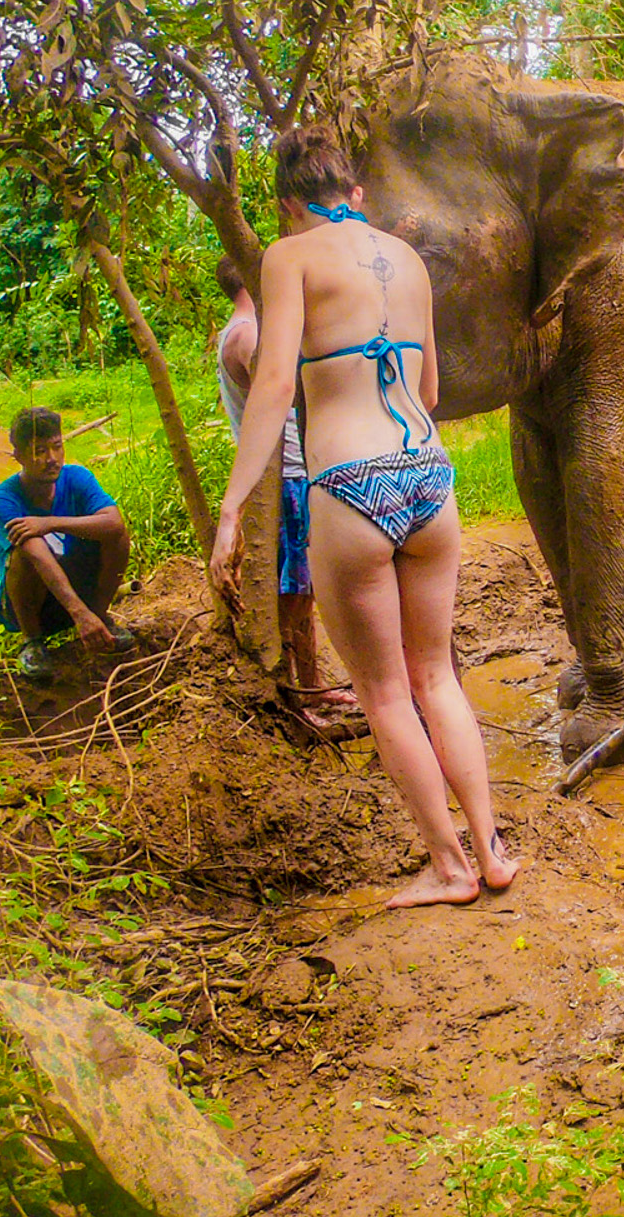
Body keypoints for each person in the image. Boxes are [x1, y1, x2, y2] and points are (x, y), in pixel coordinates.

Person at [211, 126, 514, 910]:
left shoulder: (289, 255)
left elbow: (275, 382)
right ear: (355, 192)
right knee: (437, 675)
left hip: (349, 482)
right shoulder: (408, 259)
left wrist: (233, 505)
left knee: (383, 693)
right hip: (429, 477)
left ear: (286, 203)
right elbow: (433, 386)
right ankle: (491, 848)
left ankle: (448, 868)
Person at [215, 258, 339, 712]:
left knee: (303, 588)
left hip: (290, 472)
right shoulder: (249, 334)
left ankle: (312, 683)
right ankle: (298, 694)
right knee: (293, 591)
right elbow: (279, 393)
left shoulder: (241, 328)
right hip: (285, 474)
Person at [0, 407, 133, 683]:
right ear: (18, 456)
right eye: (39, 450)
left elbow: (114, 523)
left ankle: (100, 618)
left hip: (76, 591)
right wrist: (80, 614)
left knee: (117, 537)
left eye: (57, 447)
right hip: (33, 606)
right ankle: (33, 643)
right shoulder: (4, 500)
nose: (51, 459)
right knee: (24, 551)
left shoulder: (77, 478)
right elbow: (38, 556)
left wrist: (51, 523)